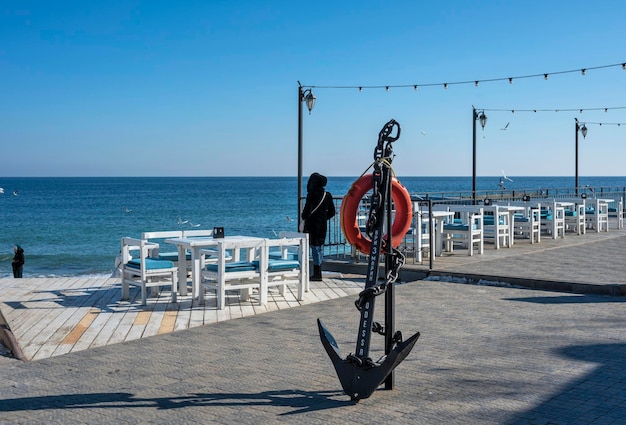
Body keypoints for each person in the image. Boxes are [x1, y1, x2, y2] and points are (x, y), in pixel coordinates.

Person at [301, 173, 335, 281]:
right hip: (322, 226)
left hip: (312, 226)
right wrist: (323, 218)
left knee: (312, 249)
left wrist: (305, 216)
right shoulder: (327, 195)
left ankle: (314, 273)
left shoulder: (311, 195)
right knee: (319, 249)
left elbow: (306, 213)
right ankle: (318, 272)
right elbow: (332, 212)